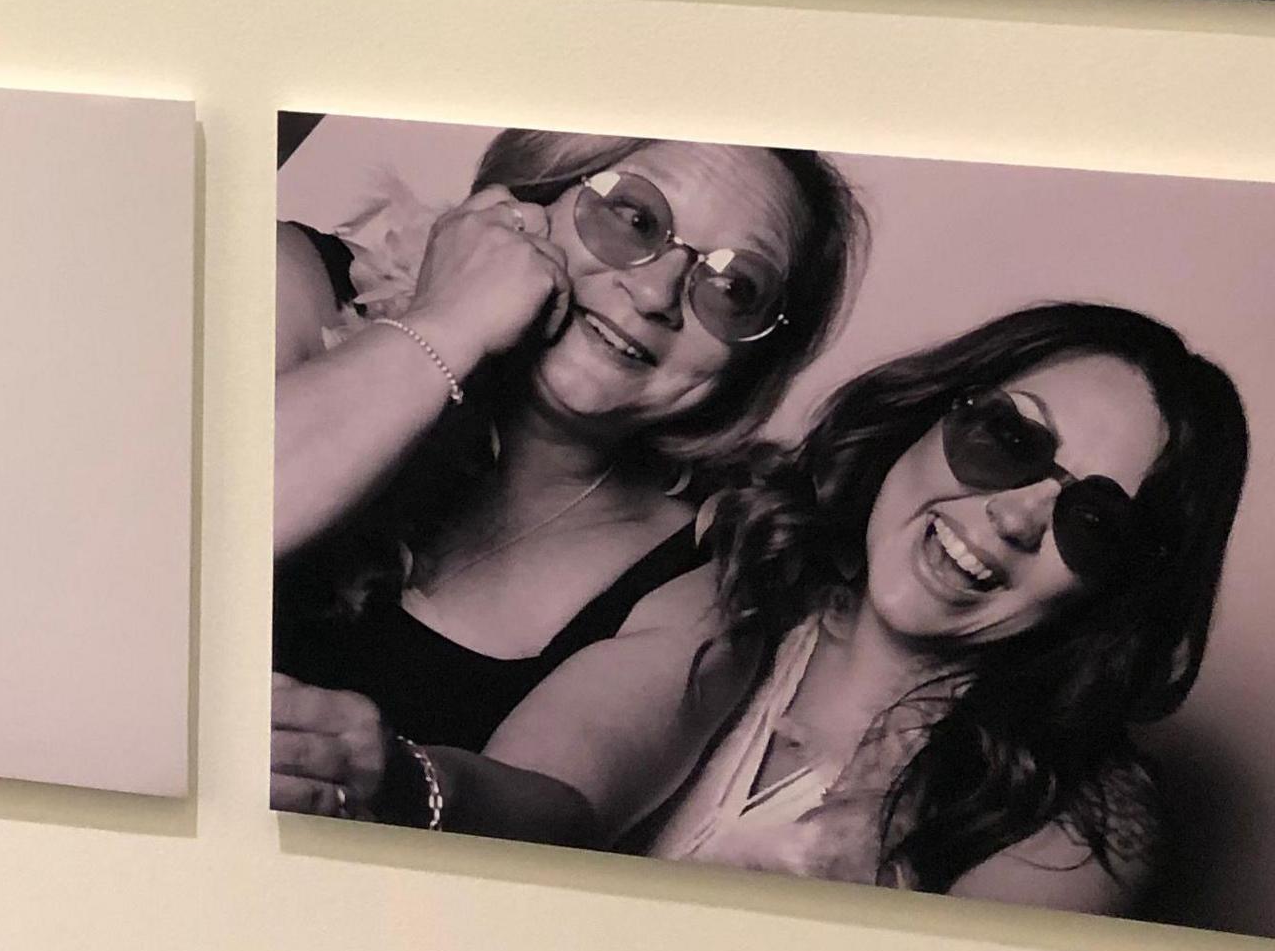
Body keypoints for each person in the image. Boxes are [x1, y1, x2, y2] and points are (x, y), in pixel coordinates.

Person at [267, 128, 865, 842]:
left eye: (735, 289)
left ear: (753, 362)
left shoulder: (694, 587)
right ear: (530, 199)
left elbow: (559, 812)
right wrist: (448, 325)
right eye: (635, 218)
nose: (655, 293)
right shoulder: (297, 279)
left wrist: (398, 781)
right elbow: (183, 531)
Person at [612, 303, 1252, 911]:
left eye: (1095, 522)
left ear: (1121, 587)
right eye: (1008, 436)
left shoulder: (1081, 830)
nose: (1015, 517)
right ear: (925, 414)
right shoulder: (727, 577)